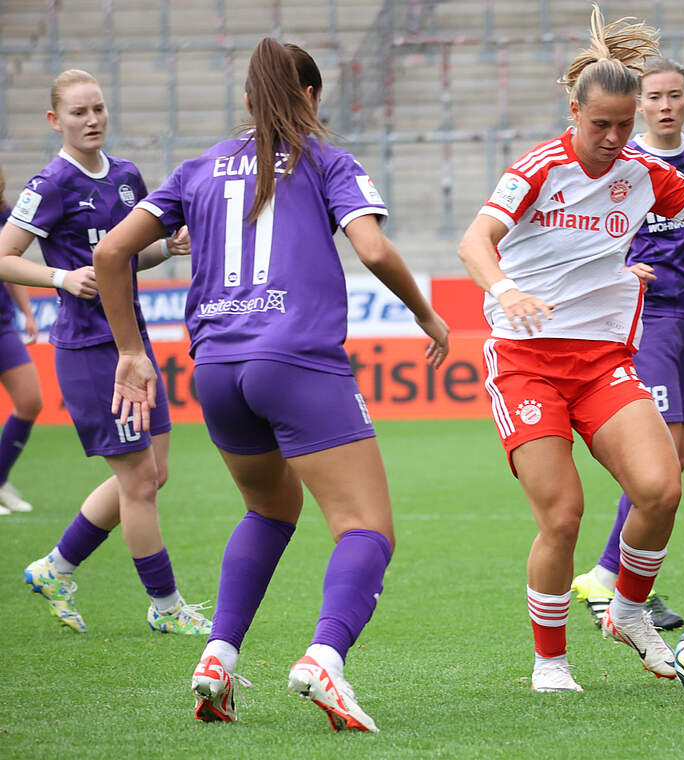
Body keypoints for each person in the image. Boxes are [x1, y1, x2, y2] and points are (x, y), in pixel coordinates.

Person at [93, 39, 449, 732]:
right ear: (311, 98)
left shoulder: (198, 167)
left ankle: (218, 659)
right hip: (296, 360)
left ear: (250, 102)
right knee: (366, 527)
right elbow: (371, 248)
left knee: (268, 511)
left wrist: (131, 352)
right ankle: (324, 659)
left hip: (218, 369)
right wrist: (425, 312)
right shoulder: (327, 160)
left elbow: (111, 252)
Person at [457, 5, 684, 694]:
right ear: (574, 110)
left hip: (602, 364)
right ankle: (550, 663)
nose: (611, 137)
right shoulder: (538, 169)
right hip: (526, 364)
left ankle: (628, 610)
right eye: (599, 123)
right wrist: (505, 289)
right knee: (564, 513)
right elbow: (474, 241)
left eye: (623, 124)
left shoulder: (641, 173)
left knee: (661, 488)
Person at [0, 69, 207, 636]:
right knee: (138, 481)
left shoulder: (125, 175)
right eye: (77, 113)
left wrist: (167, 246)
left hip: (130, 342)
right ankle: (165, 608)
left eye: (97, 109)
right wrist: (61, 277)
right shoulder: (51, 184)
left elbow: (126, 256)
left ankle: (55, 568)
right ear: (54, 120)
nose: (91, 120)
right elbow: (4, 255)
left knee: (154, 472)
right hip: (89, 349)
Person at [570, 57, 684, 632]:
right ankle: (613, 579)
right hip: (649, 314)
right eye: (655, 96)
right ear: (639, 105)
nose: (665, 105)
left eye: (675, 95)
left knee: (680, 457)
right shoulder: (627, 160)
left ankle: (617, 576)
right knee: (658, 456)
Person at [0, 164, 44, 515]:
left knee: (30, 400)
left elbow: (8, 264)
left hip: (3, 325)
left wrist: (26, 312)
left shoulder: (5, 213)